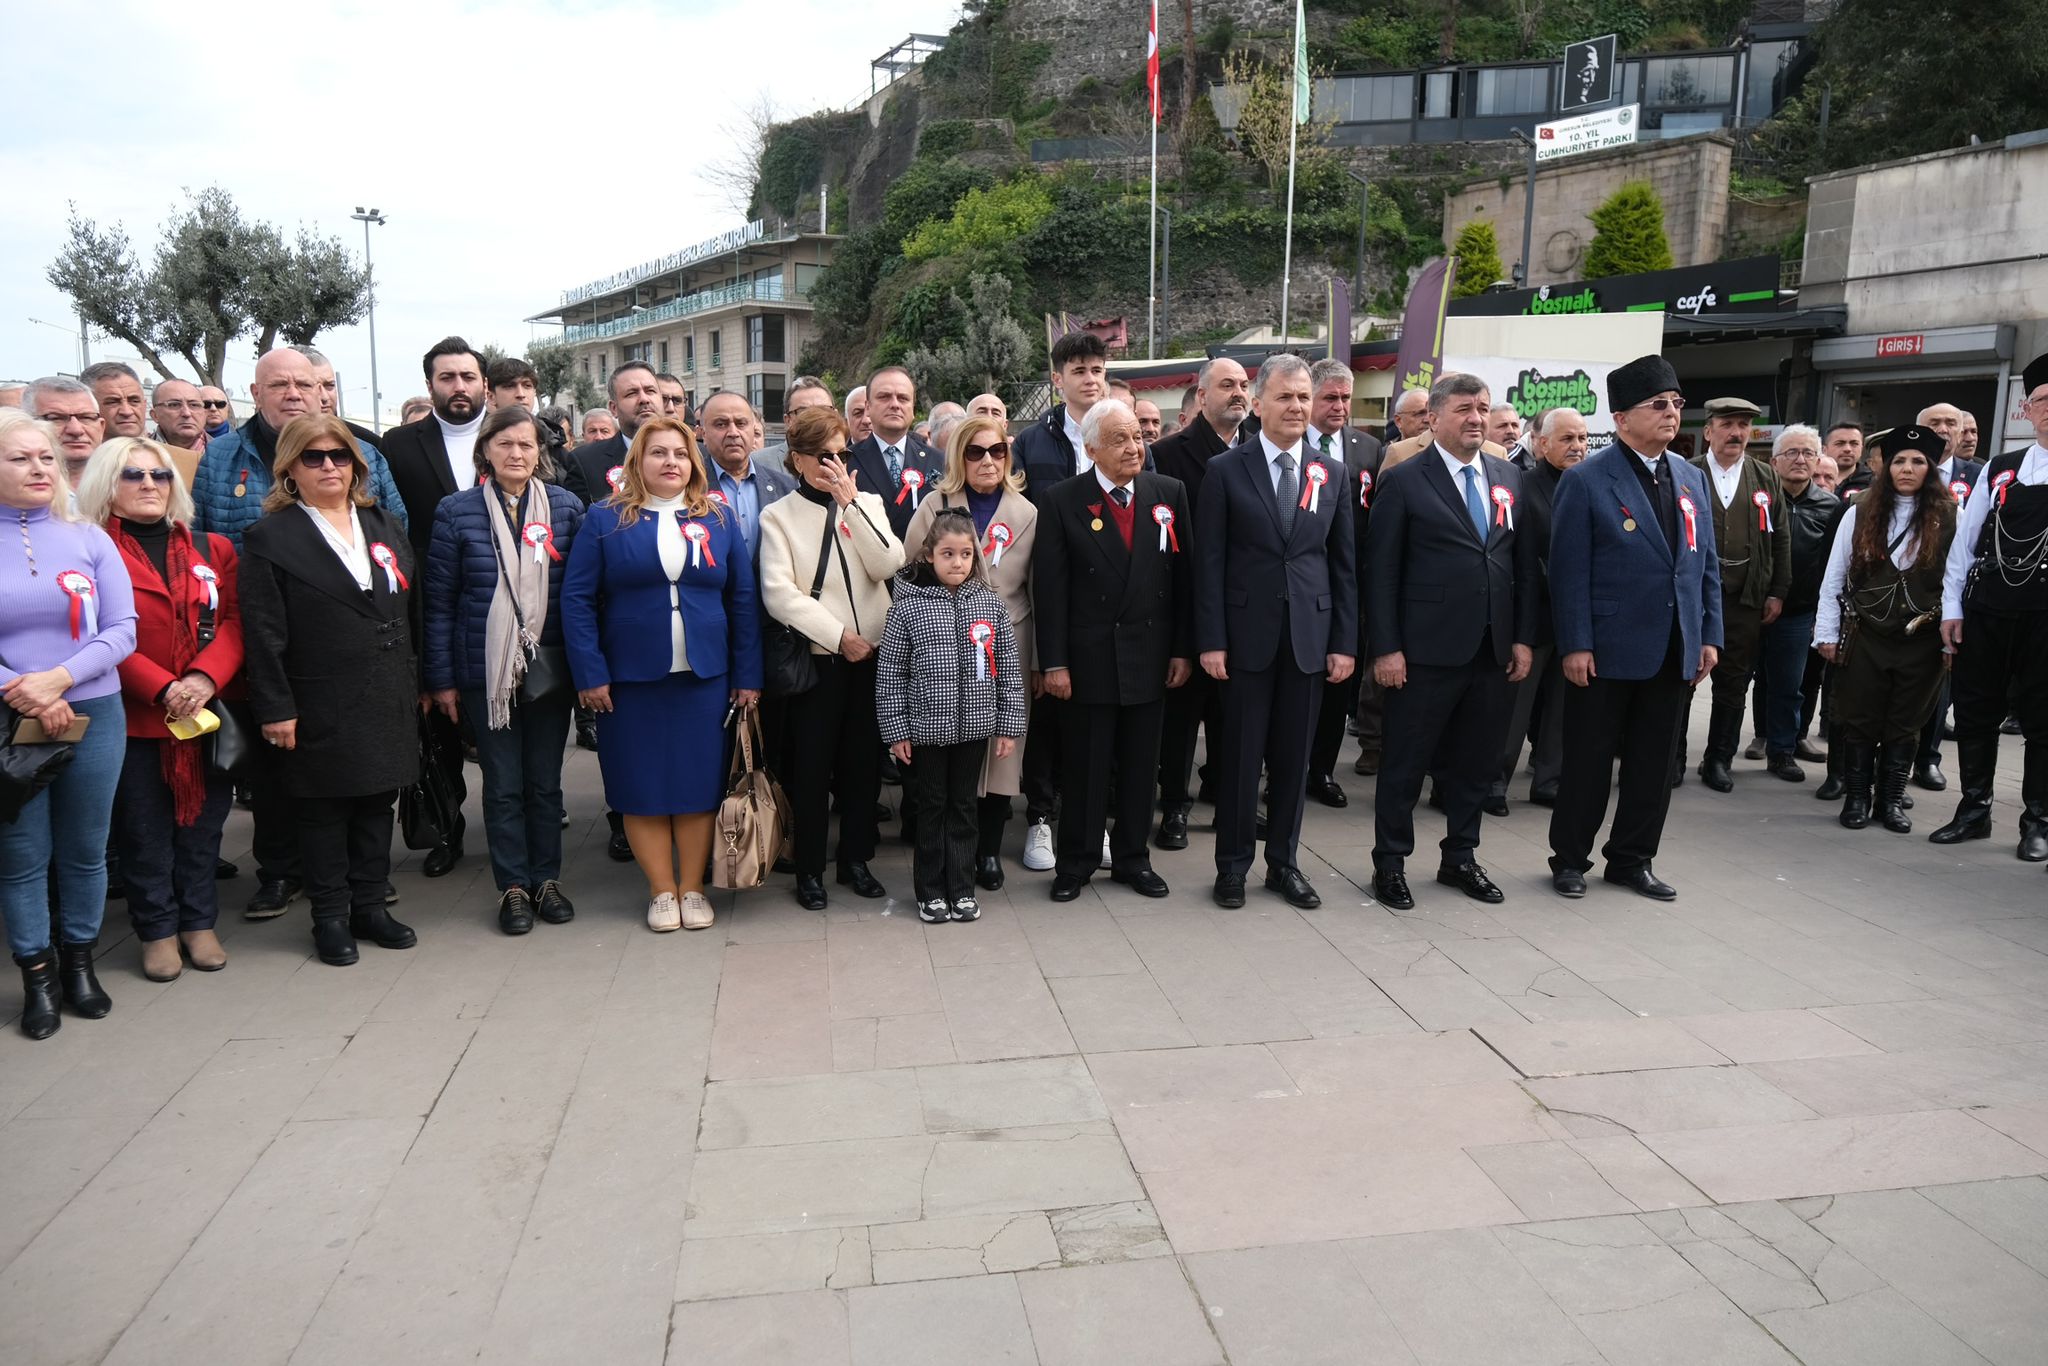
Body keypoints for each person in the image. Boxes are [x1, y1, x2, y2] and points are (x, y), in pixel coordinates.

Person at [238, 415, 420, 966]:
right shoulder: (271, 536)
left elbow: (407, 606)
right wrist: (275, 707)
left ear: (356, 465)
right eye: (313, 457)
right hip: (316, 696)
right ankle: (330, 917)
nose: (328, 467)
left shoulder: (383, 522)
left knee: (375, 804)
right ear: (290, 468)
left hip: (385, 690)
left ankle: (370, 905)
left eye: (339, 456)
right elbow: (262, 632)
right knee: (322, 813)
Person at [1547, 355, 1722, 901]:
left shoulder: (1691, 477)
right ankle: (1570, 858)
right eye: (1658, 405)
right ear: (1621, 419)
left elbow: (1704, 565)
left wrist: (1708, 634)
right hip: (1607, 646)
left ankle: (1632, 858)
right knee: (1589, 760)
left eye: (1676, 403)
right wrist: (1575, 643)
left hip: (1674, 647)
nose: (1672, 413)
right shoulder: (1587, 480)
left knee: (1653, 765)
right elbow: (1569, 572)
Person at [1365, 373, 1536, 909]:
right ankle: (1390, 863)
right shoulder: (1406, 479)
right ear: (1434, 418)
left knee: (1476, 763)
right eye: (1464, 408)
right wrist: (1386, 648)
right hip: (1424, 653)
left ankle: (1460, 857)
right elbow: (1381, 572)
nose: (1476, 418)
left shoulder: (1508, 476)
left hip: (1492, 649)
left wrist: (1523, 638)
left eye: (1483, 408)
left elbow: (1522, 563)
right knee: (1406, 763)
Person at [1195, 355, 1357, 910]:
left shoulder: (1331, 473)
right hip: (1245, 639)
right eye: (1285, 397)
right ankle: (1233, 865)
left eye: (1304, 398)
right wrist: (1211, 639)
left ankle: (1284, 864)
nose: (1297, 407)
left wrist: (1344, 642)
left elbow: (1343, 565)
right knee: (1240, 759)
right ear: (1258, 404)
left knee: (1294, 759)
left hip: (1310, 639)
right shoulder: (1225, 471)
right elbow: (1209, 563)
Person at [81, 437, 240, 980]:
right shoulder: (90, 549)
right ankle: (158, 930)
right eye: (133, 475)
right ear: (107, 484)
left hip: (204, 713)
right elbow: (96, 633)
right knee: (144, 832)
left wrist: (202, 676)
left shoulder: (212, 548)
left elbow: (236, 624)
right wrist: (162, 686)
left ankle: (199, 923)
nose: (150, 484)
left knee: (203, 828)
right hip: (136, 717)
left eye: (160, 475)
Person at [0, 410, 137, 1038]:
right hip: (9, 718)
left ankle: (81, 962)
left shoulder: (89, 537)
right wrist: (26, 692)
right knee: (23, 853)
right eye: (19, 458)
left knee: (86, 848)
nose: (37, 468)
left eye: (44, 457)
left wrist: (58, 681)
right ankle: (37, 977)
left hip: (94, 709)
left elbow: (121, 630)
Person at [424, 406, 586, 934]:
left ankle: (546, 879)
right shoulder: (456, 511)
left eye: (527, 445)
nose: (517, 454)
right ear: (485, 452)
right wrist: (442, 679)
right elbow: (440, 602)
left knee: (544, 781)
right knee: (503, 783)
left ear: (540, 453)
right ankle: (512, 887)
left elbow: (581, 595)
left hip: (548, 666)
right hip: (483, 670)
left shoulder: (564, 507)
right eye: (505, 445)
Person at [1033, 399, 1192, 902]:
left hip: (1150, 652)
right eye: (1120, 439)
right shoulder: (1063, 500)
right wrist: (1053, 661)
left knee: (1142, 766)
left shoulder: (1168, 494)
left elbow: (1184, 581)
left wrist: (1182, 650)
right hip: (1089, 658)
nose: (1134, 447)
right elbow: (1051, 589)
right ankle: (1076, 861)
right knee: (1086, 765)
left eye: (1138, 438)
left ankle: (1131, 859)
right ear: (1092, 447)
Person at [758, 405, 903, 909]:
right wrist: (839, 636)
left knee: (864, 764)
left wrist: (852, 506)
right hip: (819, 660)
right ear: (797, 460)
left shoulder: (866, 501)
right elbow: (780, 594)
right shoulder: (777, 516)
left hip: (874, 659)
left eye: (842, 455)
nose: (834, 465)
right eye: (823, 457)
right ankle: (810, 868)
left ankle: (856, 860)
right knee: (813, 769)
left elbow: (889, 561)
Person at [902, 413, 1038, 889]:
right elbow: (909, 574)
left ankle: (986, 853)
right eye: (976, 451)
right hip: (940, 648)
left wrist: (1037, 660)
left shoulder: (1027, 512)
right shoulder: (934, 504)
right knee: (946, 762)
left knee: (1002, 758)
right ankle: (940, 860)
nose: (987, 460)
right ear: (959, 455)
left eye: (997, 450)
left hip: (1003, 646)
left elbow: (1036, 590)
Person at [876, 510, 1026, 923]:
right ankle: (930, 891)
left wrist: (1009, 725)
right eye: (948, 554)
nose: (957, 562)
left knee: (964, 807)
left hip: (975, 728)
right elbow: (891, 674)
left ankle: (961, 889)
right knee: (931, 807)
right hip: (926, 731)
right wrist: (896, 730)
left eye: (965, 554)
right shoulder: (907, 608)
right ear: (928, 556)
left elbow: (1008, 669)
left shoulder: (989, 605)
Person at [380, 336, 494, 879]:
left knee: (502, 725)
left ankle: (511, 830)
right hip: (429, 602)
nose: (459, 387)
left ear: (484, 384)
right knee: (441, 724)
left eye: (468, 377)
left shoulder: (513, 436)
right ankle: (448, 831)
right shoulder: (398, 446)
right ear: (430, 385)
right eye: (447, 378)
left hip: (504, 603)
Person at [1932, 352, 2048, 861]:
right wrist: (1951, 607)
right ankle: (1974, 809)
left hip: (2045, 618)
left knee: (2044, 720)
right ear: (2027, 409)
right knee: (1976, 712)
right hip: (1988, 608)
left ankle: (2038, 821)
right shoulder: (2003, 468)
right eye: (2042, 400)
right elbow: (1965, 540)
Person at [1815, 425, 1954, 834]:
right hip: (1867, 635)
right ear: (1885, 466)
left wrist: (1952, 635)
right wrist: (1825, 632)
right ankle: (1857, 797)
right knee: (1859, 718)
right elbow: (1834, 576)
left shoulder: (1951, 515)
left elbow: (1958, 579)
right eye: (1899, 461)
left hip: (1923, 639)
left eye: (1917, 462)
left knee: (1906, 721)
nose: (1907, 468)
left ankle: (1889, 801)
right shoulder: (1859, 510)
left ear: (1930, 469)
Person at [1150, 356, 1250, 848]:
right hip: (1188, 606)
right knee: (1183, 720)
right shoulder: (1168, 455)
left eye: (1244, 385)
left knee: (1236, 720)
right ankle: (1174, 808)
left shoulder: (1261, 452)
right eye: (1227, 384)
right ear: (1201, 395)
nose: (1238, 392)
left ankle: (1234, 806)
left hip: (1246, 611)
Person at [1684, 396, 1787, 791]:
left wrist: (1777, 591)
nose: (1737, 432)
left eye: (1743, 425)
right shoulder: (1686, 471)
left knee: (1734, 683)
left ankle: (1718, 759)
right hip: (1695, 598)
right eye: (1728, 424)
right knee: (1685, 676)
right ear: (1708, 431)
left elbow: (1781, 540)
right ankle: (1673, 756)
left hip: (1744, 598)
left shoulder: (1765, 476)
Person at [1303, 357, 1383, 808]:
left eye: (1345, 398)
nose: (1339, 406)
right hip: (1302, 580)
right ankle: (1284, 769)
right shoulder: (1286, 443)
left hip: (1349, 587)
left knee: (1339, 683)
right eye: (1330, 397)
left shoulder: (1367, 449)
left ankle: (1322, 769)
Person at [1499, 406, 1586, 807]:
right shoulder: (1523, 485)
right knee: (1515, 708)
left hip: (1575, 620)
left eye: (1582, 438)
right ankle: (1494, 781)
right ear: (1541, 443)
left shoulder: (1589, 486)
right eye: (1567, 439)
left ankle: (1549, 779)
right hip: (1532, 615)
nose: (1577, 447)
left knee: (1563, 707)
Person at [1748, 425, 1839, 782]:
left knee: (1790, 685)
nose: (1800, 460)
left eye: (1808, 453)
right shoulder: (1756, 498)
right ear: (1773, 461)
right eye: (1791, 453)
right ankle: (1720, 753)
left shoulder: (1831, 507)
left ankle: (1782, 751)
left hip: (1799, 612)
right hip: (1749, 608)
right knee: (1736, 681)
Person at [844, 367, 943, 539]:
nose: (895, 404)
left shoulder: (939, 461)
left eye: (903, 398)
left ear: (912, 409)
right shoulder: (846, 461)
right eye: (884, 397)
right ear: (868, 407)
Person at [561, 362, 661, 505]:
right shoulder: (585, 462)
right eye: (632, 393)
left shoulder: (695, 454)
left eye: (650, 390)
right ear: (614, 408)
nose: (644, 399)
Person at [294, 347, 382, 449]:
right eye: (310, 386)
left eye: (330, 386)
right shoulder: (275, 444)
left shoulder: (370, 445)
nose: (324, 397)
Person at [24, 376, 106, 481]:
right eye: (56, 418)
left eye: (86, 417)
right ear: (27, 426)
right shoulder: (10, 493)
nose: (76, 430)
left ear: (101, 427)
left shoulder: (126, 483)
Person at [150, 379, 208, 487]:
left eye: (194, 405)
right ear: (154, 415)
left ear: (204, 414)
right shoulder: (135, 454)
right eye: (174, 405)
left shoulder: (227, 455)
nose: (186, 413)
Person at [83, 361, 148, 439]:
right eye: (112, 402)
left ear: (144, 405)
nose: (127, 412)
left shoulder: (164, 451)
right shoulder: (69, 450)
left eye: (134, 401)